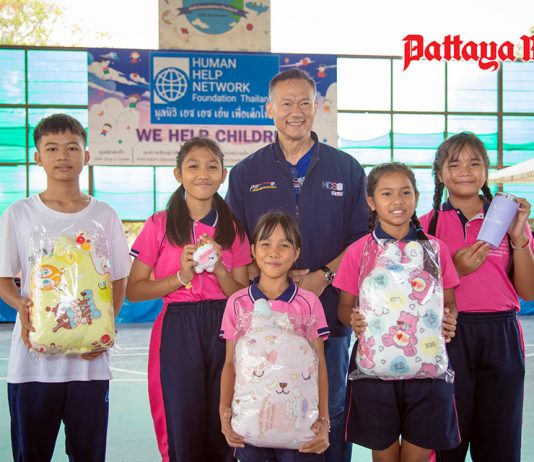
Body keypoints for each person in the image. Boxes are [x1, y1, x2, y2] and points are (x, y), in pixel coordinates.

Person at [226, 68, 369, 462]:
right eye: (286, 103)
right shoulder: (246, 172)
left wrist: (324, 277)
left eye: (305, 102)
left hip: (329, 312)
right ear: (269, 109)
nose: (296, 111)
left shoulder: (347, 169)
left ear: (317, 107)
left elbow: (361, 240)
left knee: (330, 407)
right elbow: (237, 245)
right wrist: (270, 279)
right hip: (263, 319)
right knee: (265, 401)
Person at [0, 113, 131, 462]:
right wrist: (22, 307)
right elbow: (3, 279)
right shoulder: (19, 213)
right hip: (32, 365)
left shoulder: (105, 214)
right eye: (52, 148)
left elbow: (118, 280)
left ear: (85, 155)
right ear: (38, 157)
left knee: (88, 455)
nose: (62, 156)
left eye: (72, 148)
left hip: (90, 366)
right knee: (31, 454)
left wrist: (102, 331)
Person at [126, 137, 252, 462]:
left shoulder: (233, 229)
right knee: (181, 420)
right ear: (178, 174)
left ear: (223, 175)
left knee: (224, 418)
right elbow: (134, 290)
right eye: (193, 166)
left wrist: (220, 269)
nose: (203, 174)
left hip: (224, 326)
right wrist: (179, 278)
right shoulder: (159, 224)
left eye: (212, 166)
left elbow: (241, 296)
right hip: (177, 326)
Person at [419, 132, 534, 462]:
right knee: (446, 440)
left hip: (501, 335)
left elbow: (528, 291)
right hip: (446, 334)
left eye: (474, 163)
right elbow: (417, 293)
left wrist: (518, 238)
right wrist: (454, 269)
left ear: (486, 171)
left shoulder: (510, 222)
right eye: (454, 164)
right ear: (440, 173)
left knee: (500, 440)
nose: (465, 171)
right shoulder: (425, 227)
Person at [335, 162, 460, 462]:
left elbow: (450, 301)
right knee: (385, 456)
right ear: (371, 201)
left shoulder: (435, 250)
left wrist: (450, 318)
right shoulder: (359, 251)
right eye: (387, 193)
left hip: (427, 369)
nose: (397, 201)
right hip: (375, 369)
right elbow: (343, 307)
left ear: (416, 196)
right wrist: (351, 319)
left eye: (405, 192)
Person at [219, 211, 330, 461]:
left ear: (296, 253)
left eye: (284, 245)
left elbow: (320, 364)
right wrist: (224, 413)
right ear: (253, 250)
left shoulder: (309, 302)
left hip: (299, 425)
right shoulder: (237, 302)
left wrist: (324, 420)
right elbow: (229, 364)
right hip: (251, 424)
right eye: (266, 244)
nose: (274, 252)